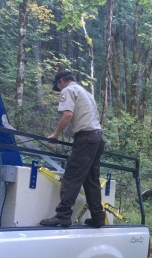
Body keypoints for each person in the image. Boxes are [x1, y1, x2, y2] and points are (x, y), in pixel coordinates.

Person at [40, 70, 105, 228]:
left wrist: (55, 134)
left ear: (61, 81)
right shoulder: (86, 93)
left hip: (86, 138)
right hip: (97, 138)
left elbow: (68, 115)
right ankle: (97, 216)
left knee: (71, 176)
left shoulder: (68, 90)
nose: (59, 90)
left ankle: (62, 215)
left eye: (58, 86)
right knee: (91, 180)